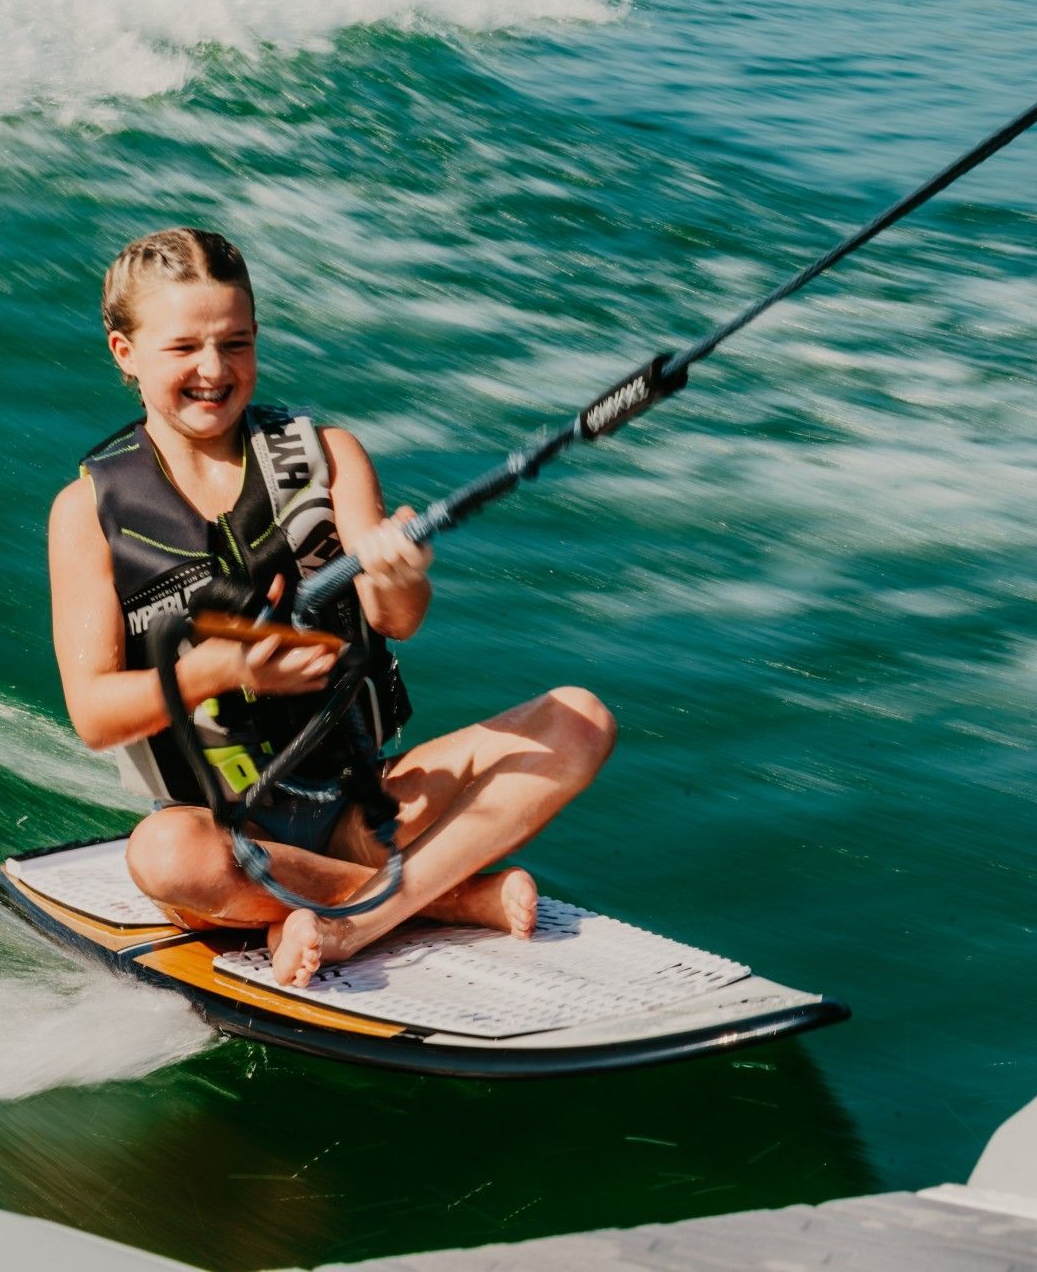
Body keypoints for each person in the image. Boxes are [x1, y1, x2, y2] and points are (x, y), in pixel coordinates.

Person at [48, 227, 615, 987]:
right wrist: (216, 666)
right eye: (184, 348)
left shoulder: (329, 454)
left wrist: (401, 570)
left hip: (364, 811)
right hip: (232, 841)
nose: (214, 370)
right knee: (163, 853)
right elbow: (93, 712)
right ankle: (442, 897)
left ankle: (356, 921)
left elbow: (397, 619)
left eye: (237, 343)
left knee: (581, 717)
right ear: (126, 353)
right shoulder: (88, 513)